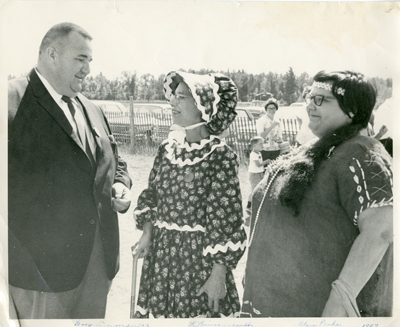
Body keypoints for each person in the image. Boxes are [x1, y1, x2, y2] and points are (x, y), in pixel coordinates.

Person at [241, 70, 393, 317]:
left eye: (321, 99)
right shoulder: (321, 149)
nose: (310, 105)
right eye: (310, 97)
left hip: (315, 311)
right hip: (274, 305)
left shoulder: (361, 154)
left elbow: (383, 228)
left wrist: (339, 302)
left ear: (352, 109)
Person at [8, 22, 132, 319]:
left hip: (97, 263)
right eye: (80, 59)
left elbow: (115, 162)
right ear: (52, 54)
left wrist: (120, 183)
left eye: (90, 60)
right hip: (40, 273)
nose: (88, 69)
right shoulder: (10, 101)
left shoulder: (92, 108)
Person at [133, 71, 247, 318]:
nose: (173, 102)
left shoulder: (220, 156)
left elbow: (225, 219)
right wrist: (147, 233)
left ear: (203, 107)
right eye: (173, 95)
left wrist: (218, 276)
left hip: (198, 265)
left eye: (182, 96)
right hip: (162, 261)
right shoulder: (167, 150)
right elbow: (152, 195)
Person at [244, 136, 270, 226]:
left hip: (259, 173)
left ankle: (252, 205)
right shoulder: (253, 154)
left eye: (263, 143)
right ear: (254, 145)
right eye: (260, 144)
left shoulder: (258, 152)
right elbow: (258, 164)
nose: (262, 145)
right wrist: (266, 162)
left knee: (258, 189)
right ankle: (249, 206)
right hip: (254, 174)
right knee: (254, 190)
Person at [255, 98, 282, 165]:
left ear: (276, 109)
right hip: (265, 151)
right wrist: (271, 127)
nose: (272, 110)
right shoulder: (261, 121)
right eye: (269, 108)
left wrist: (279, 139)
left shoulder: (278, 121)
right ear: (266, 109)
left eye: (273, 108)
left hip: (276, 150)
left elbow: (280, 137)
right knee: (265, 172)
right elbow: (261, 137)